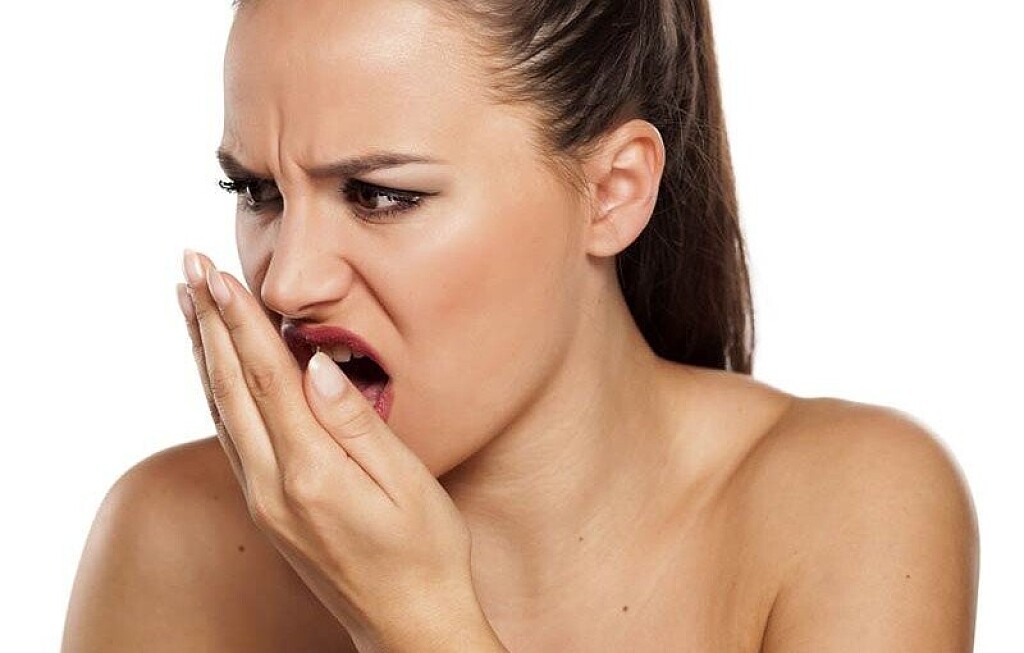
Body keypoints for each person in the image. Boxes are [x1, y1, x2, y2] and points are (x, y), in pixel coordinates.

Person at [61, 0, 979, 651]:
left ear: (613, 191)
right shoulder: (170, 538)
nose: (288, 280)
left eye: (380, 194)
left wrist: (415, 617)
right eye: (257, 191)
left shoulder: (848, 506)